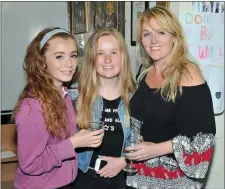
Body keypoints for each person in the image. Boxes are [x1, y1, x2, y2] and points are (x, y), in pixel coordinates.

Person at [125, 6, 216, 189]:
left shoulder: (188, 74)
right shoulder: (145, 71)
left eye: (161, 32)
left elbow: (203, 139)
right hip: (140, 177)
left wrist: (154, 150)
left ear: (175, 37)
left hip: (174, 180)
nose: (153, 40)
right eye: (146, 34)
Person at [12, 27, 104, 189]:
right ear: (42, 62)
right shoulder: (32, 106)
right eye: (59, 56)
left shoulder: (63, 94)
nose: (69, 64)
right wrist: (73, 143)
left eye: (73, 56)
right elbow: (30, 164)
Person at [68, 27, 136, 189]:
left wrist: (124, 161)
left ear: (123, 57)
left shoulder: (136, 96)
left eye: (114, 52)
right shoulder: (74, 94)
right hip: (83, 178)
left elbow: (142, 140)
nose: (107, 59)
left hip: (122, 180)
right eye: (100, 53)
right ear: (92, 58)